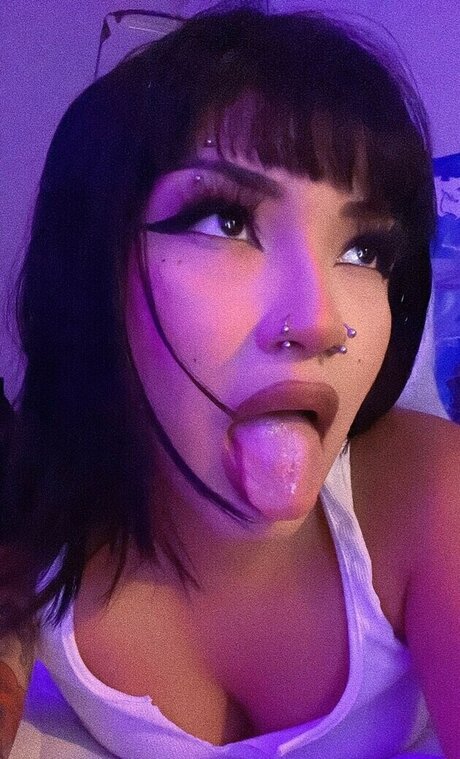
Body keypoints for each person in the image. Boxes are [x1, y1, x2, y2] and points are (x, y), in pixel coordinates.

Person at [1, 5, 459, 758]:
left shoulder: (432, 492)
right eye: (224, 220)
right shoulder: (36, 528)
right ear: (91, 267)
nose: (318, 322)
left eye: (364, 251)